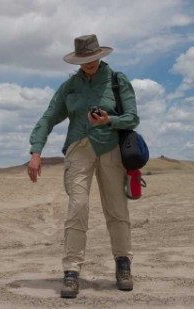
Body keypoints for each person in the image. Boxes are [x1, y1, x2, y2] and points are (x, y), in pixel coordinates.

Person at [27, 34, 139, 298]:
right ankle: (71, 272)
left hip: (111, 150)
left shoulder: (117, 80)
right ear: (78, 60)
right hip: (79, 150)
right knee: (77, 207)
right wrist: (35, 151)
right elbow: (49, 117)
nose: (89, 63)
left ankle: (123, 266)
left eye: (93, 58)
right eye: (84, 59)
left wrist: (109, 120)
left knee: (116, 210)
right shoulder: (70, 86)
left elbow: (132, 117)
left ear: (100, 55)